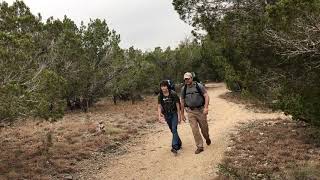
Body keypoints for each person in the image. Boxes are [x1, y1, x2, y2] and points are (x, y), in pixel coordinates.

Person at [180, 72, 211, 154]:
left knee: (204, 129)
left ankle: (207, 137)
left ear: (191, 78)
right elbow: (182, 101)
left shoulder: (199, 86)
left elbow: (206, 96)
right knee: (194, 129)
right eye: (185, 79)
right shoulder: (184, 89)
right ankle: (200, 146)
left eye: (188, 78)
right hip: (190, 111)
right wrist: (182, 114)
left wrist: (206, 107)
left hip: (200, 110)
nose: (186, 80)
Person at [158, 80, 182, 154]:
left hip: (174, 113)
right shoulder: (160, 95)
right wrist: (159, 116)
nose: (163, 88)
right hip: (166, 115)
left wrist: (179, 116)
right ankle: (179, 143)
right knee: (172, 130)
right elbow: (159, 106)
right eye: (162, 86)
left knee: (174, 129)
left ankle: (174, 146)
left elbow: (178, 105)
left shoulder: (173, 93)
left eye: (164, 86)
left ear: (167, 86)